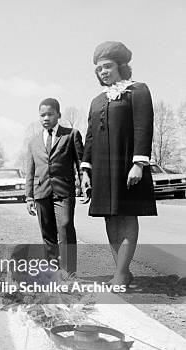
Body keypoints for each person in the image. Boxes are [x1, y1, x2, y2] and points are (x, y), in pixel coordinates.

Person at [80, 41, 157, 286]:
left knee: (126, 216)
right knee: (110, 218)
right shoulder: (97, 101)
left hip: (128, 165)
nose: (103, 71)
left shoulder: (138, 90)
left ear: (121, 66)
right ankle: (121, 269)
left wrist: (139, 163)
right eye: (99, 68)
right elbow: (90, 137)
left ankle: (121, 274)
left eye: (108, 66)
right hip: (102, 170)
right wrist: (85, 170)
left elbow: (143, 127)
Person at [25, 98, 84, 275]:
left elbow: (80, 164)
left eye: (50, 114)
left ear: (58, 114)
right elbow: (30, 171)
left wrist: (85, 185)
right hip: (41, 192)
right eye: (42, 115)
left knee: (65, 227)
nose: (46, 118)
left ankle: (68, 273)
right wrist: (29, 196)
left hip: (64, 192)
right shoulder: (34, 141)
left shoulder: (71, 134)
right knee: (47, 234)